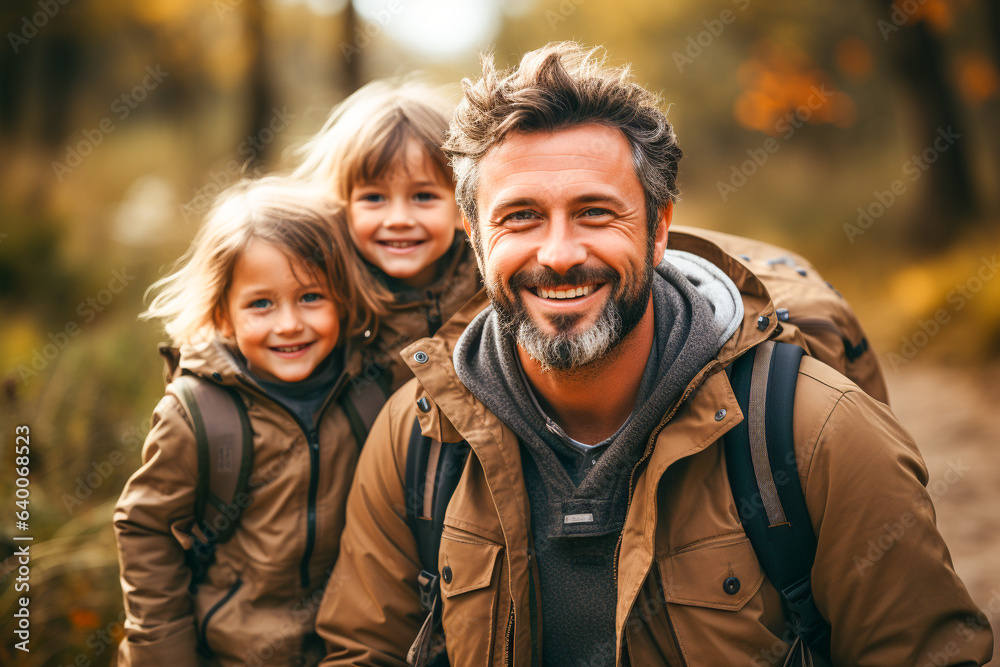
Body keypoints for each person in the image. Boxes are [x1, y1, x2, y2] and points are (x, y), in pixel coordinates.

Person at [314, 43, 994, 666]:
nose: (558, 255)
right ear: (474, 234)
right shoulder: (417, 432)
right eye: (519, 216)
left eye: (595, 213)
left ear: (659, 226)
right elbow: (362, 652)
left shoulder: (814, 429)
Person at [113, 176, 386, 666]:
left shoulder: (370, 391)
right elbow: (145, 531)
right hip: (230, 652)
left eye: (310, 297)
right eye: (261, 304)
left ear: (343, 299)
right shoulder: (197, 413)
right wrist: (165, 655)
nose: (288, 324)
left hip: (346, 649)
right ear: (222, 315)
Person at [291, 79, 482, 394]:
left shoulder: (492, 292)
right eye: (374, 198)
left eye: (423, 196)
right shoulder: (330, 298)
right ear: (343, 208)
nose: (398, 220)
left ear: (461, 209)